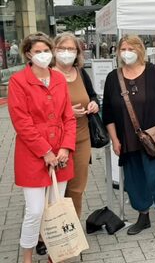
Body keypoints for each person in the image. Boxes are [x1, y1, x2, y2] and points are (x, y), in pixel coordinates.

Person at [102, 35, 155, 243]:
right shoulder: (113, 78)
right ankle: (143, 216)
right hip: (127, 140)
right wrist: (115, 140)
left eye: (130, 48)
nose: (126, 52)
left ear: (140, 50)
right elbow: (107, 113)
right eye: (123, 49)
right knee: (135, 181)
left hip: (153, 139)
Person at [7, 32, 76, 263]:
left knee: (56, 209)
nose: (43, 55)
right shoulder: (18, 81)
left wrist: (66, 147)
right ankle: (27, 257)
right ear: (28, 53)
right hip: (32, 155)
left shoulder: (58, 79)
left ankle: (56, 256)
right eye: (38, 51)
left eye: (46, 51)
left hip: (61, 154)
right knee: (35, 211)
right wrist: (45, 151)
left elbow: (69, 117)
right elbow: (21, 122)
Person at [53, 32, 99, 218]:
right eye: (62, 48)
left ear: (78, 52)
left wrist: (94, 104)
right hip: (57, 141)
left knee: (77, 189)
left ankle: (72, 234)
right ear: (54, 50)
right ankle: (46, 235)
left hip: (82, 138)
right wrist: (67, 113)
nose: (66, 52)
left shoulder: (80, 73)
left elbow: (92, 95)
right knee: (55, 190)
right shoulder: (48, 75)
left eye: (71, 49)